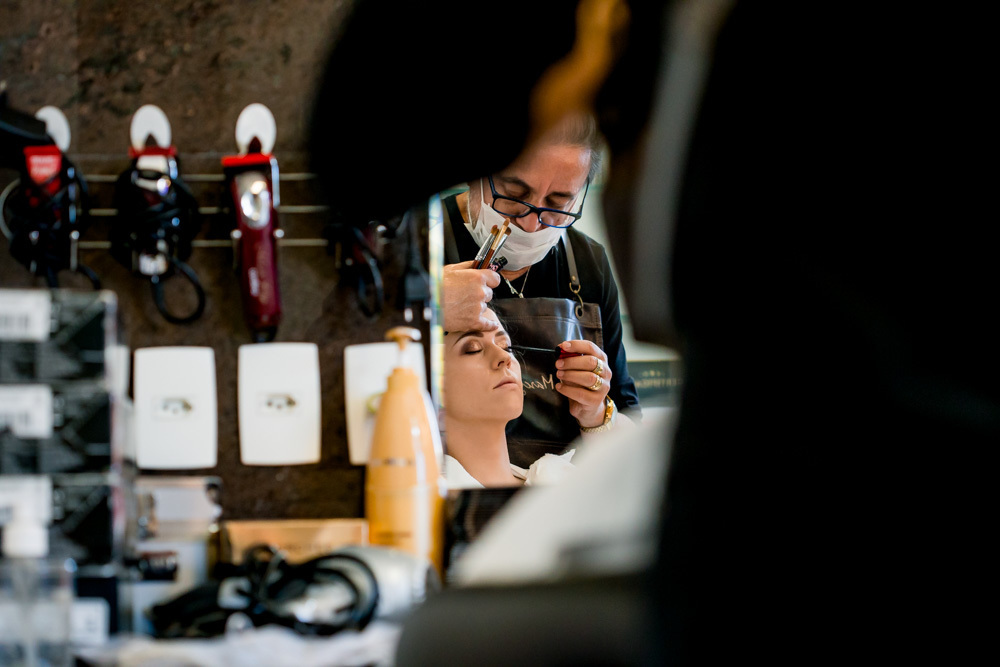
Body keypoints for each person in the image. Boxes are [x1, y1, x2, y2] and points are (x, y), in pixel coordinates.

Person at [442, 113, 640, 468]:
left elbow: (628, 421)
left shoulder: (589, 262)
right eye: (514, 195)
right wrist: (427, 308)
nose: (531, 224)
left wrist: (597, 412)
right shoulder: (417, 243)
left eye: (558, 203)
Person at [443, 308, 575, 489]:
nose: (505, 356)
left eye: (506, 346)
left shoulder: (563, 482)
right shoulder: (425, 499)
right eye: (473, 349)